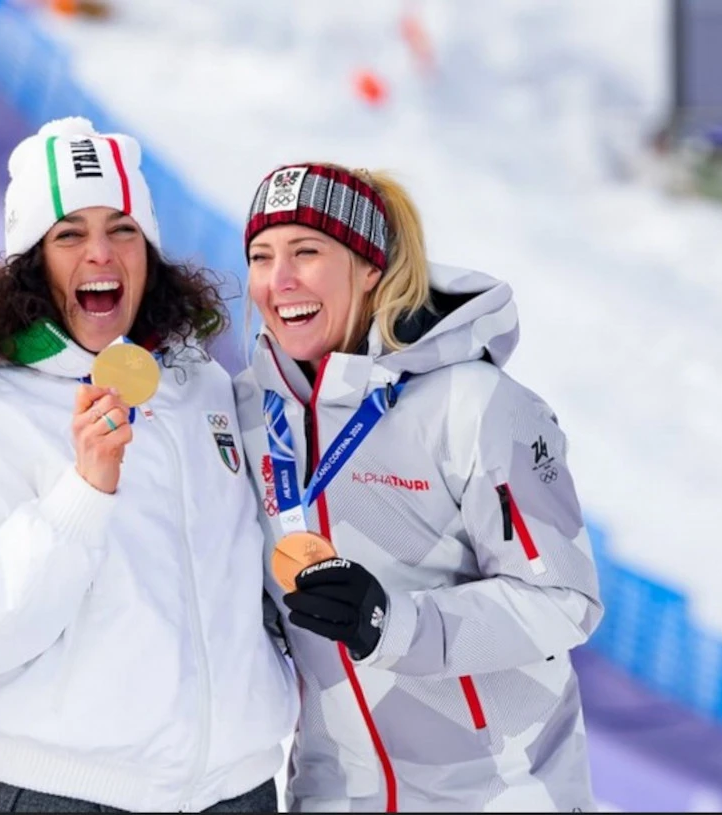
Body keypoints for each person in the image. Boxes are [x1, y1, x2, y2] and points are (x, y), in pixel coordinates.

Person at [0, 117, 297, 813]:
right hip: (69, 795)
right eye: (70, 234)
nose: (101, 252)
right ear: (30, 262)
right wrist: (82, 493)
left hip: (240, 790)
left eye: (123, 229)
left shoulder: (201, 385)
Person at [234, 162, 604, 811]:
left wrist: (393, 624)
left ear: (369, 267)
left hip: (499, 793)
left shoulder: (475, 405)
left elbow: (564, 599)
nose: (279, 279)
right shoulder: (247, 415)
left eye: (306, 251)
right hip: (335, 793)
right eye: (261, 257)